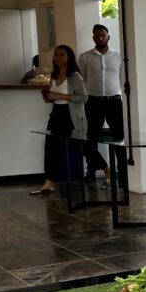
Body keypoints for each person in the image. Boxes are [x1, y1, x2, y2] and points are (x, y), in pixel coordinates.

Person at [31, 45, 86, 195]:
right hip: (56, 113)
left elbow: (83, 97)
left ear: (69, 57)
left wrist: (60, 96)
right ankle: (49, 182)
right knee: (50, 147)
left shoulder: (75, 76)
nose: (58, 57)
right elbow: (53, 98)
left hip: (71, 116)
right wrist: (48, 97)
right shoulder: (53, 76)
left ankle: (106, 170)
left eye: (62, 55)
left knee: (83, 147)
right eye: (56, 55)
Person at [78, 24, 127, 189]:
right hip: (93, 101)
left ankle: (122, 174)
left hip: (114, 100)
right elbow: (82, 78)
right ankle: (91, 171)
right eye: (97, 36)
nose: (100, 38)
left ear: (108, 37)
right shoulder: (85, 57)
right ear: (93, 38)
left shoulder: (118, 56)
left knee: (119, 137)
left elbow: (122, 78)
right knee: (91, 137)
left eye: (103, 35)